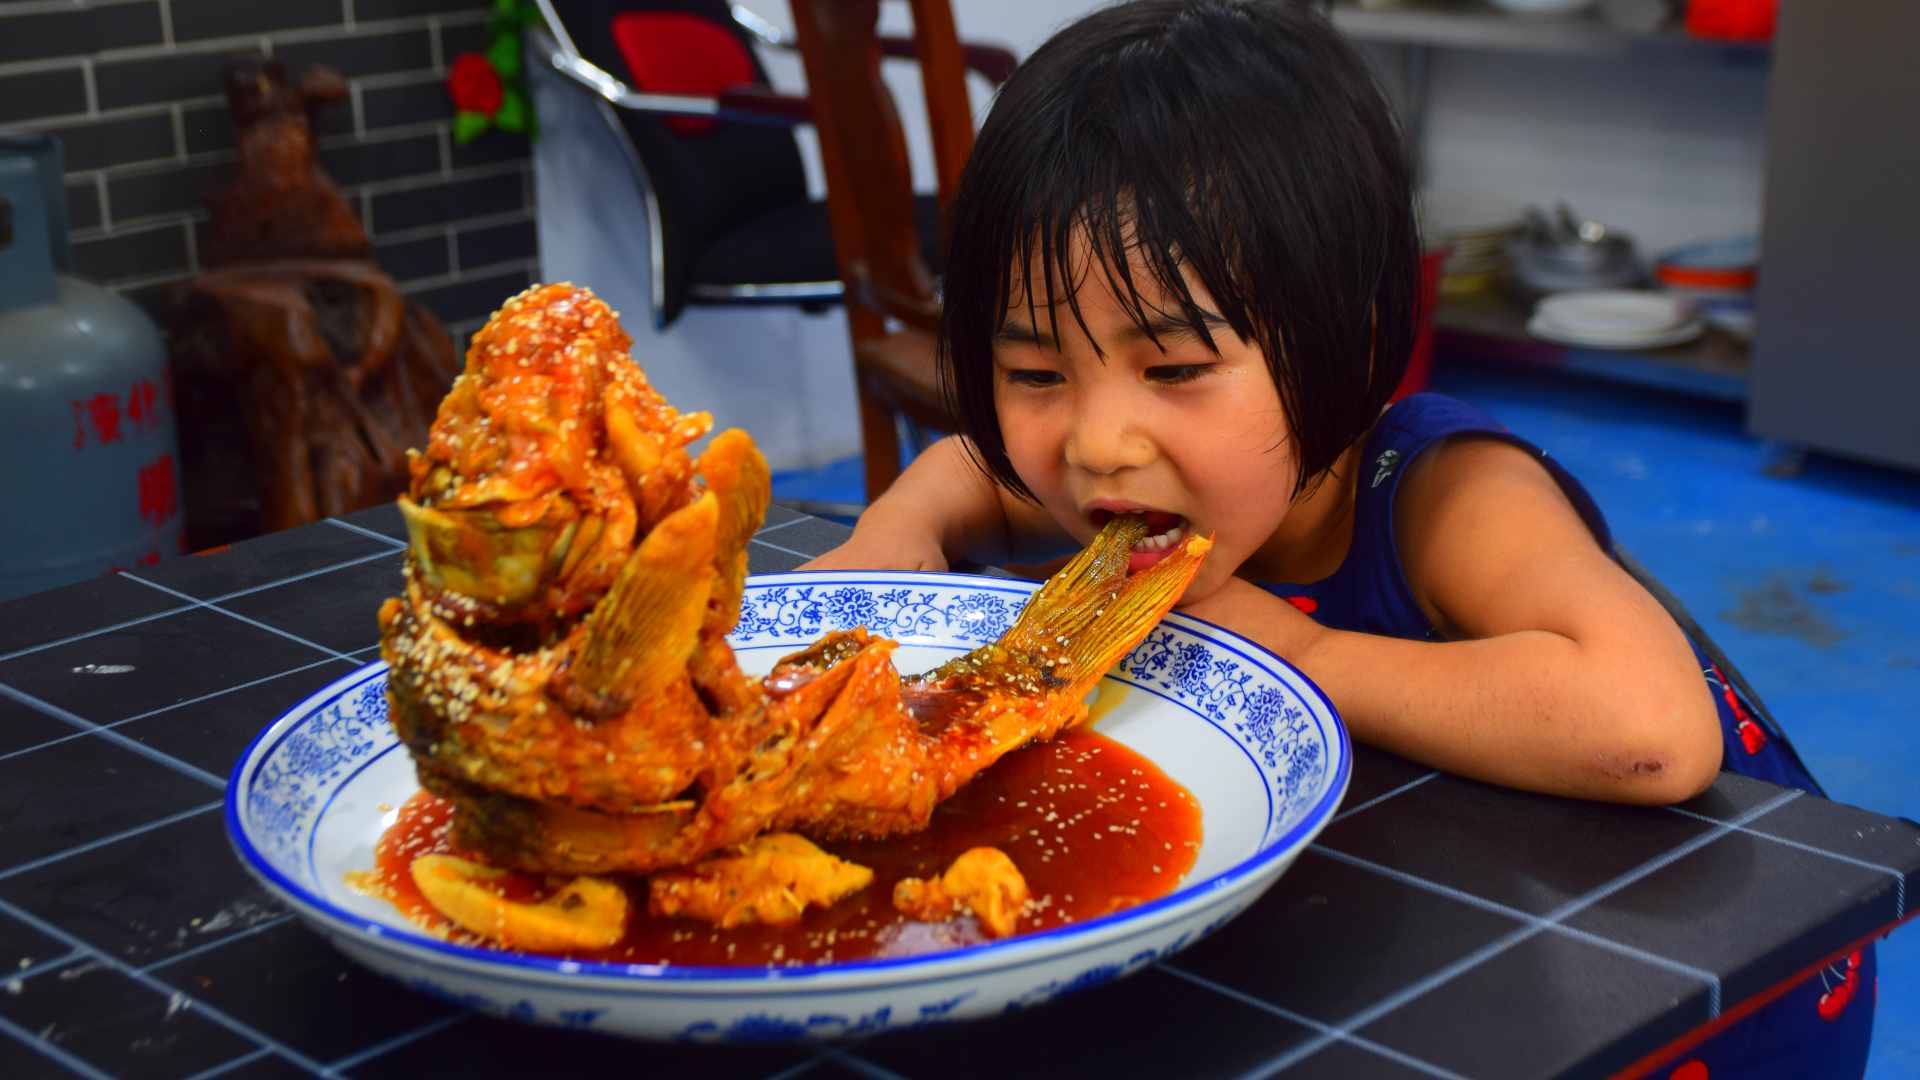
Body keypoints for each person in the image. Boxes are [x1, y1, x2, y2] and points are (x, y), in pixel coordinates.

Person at [803, 1, 1872, 1071]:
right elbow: (970, 472)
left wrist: (1305, 652)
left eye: (1172, 369)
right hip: (1456, 909)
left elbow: (1650, 733)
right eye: (1037, 373)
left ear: (1340, 346)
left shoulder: (1443, 495)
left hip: (1715, 974)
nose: (1097, 445)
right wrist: (896, 530)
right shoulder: (1158, 486)